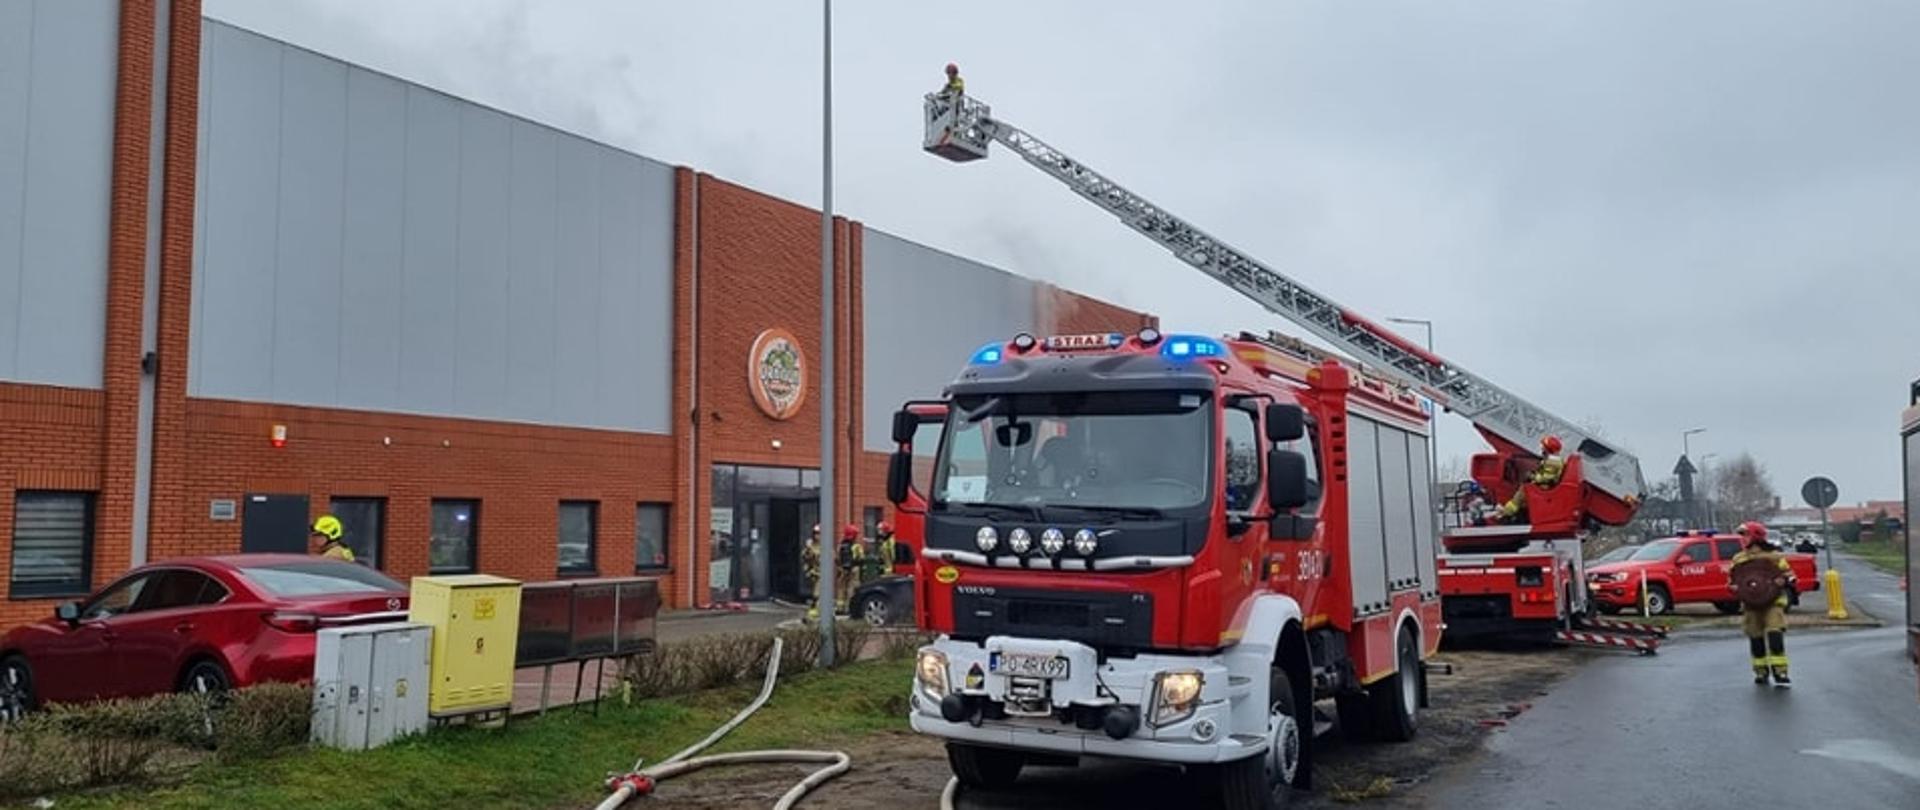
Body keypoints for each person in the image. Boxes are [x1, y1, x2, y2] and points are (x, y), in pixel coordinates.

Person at [1728, 521, 1794, 685]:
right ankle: (1761, 672)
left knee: (1775, 635)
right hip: (1751, 605)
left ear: (1756, 536)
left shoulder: (1775, 557)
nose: (1742, 539)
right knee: (1755, 638)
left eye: (1745, 535)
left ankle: (1780, 672)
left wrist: (1783, 580)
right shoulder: (1739, 559)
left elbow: (1790, 576)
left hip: (1773, 603)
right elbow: (1732, 580)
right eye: (1741, 535)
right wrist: (1734, 587)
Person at [1495, 435, 1566, 522]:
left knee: (1522, 492)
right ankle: (1514, 514)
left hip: (1545, 486)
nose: (1542, 448)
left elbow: (1546, 478)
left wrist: (1531, 476)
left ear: (1548, 448)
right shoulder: (1553, 460)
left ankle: (1506, 512)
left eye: (1543, 446)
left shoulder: (1553, 461)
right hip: (1544, 485)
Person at [836, 523, 867, 610]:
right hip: (854, 569)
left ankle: (840, 607)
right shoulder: (857, 546)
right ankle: (849, 607)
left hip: (842, 569)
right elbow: (861, 558)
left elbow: (837, 558)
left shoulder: (840, 546)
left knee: (841, 588)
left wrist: (840, 567)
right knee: (852, 588)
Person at [802, 525, 822, 622]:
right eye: (816, 533)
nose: (817, 536)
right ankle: (813, 612)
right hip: (813, 573)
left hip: (822, 573)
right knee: (815, 593)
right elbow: (805, 558)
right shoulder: (810, 545)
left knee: (818, 594)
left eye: (819, 533)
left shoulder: (825, 545)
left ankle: (815, 612)